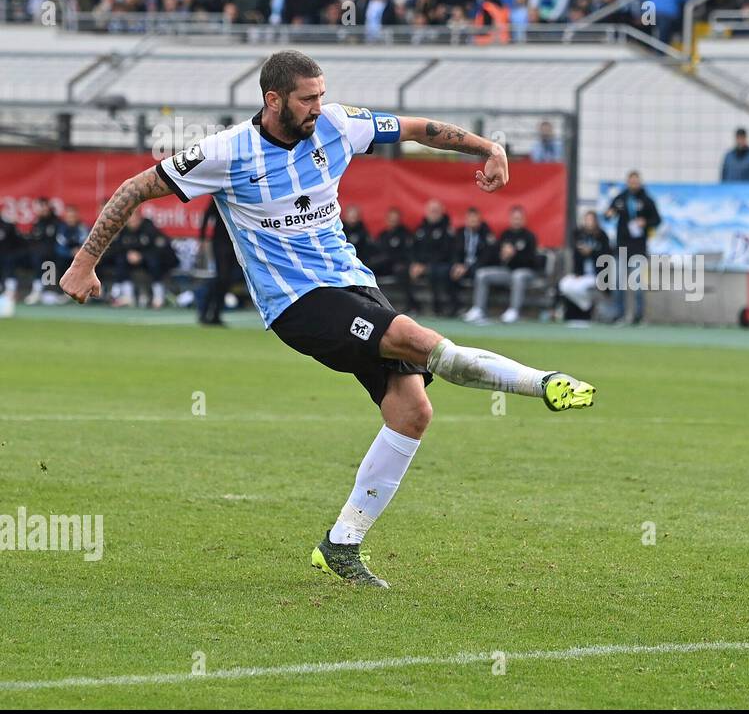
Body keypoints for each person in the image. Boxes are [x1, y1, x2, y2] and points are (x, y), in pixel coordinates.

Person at [58, 49, 594, 589]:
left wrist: (487, 146)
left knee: (412, 411)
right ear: (274, 100)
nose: (319, 106)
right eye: (307, 98)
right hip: (298, 302)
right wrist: (84, 263)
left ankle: (341, 545)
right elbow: (134, 189)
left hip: (352, 282)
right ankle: (541, 382)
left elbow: (416, 129)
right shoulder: (226, 152)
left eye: (320, 94)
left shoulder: (337, 124)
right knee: (414, 337)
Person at [465, 205, 540, 324]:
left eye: (519, 218)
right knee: (482, 274)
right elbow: (495, 256)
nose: (516, 221)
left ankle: (514, 310)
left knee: (518, 275)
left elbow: (532, 261)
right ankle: (479, 309)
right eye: (514, 218)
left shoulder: (529, 236)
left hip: (526, 272)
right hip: (507, 271)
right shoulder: (505, 234)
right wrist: (502, 256)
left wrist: (514, 254)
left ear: (523, 220)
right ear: (510, 219)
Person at [604, 171, 660, 324]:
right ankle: (619, 315)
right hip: (621, 246)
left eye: (636, 181)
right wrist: (608, 214)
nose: (633, 184)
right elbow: (608, 214)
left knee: (638, 284)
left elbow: (657, 220)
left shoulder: (647, 200)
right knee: (617, 283)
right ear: (627, 182)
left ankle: (638, 316)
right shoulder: (621, 198)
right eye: (631, 181)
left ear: (640, 182)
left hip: (638, 248)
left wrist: (645, 222)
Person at [558, 210, 612, 321]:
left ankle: (588, 309)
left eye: (591, 220)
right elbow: (575, 256)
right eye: (587, 220)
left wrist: (591, 252)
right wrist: (577, 272)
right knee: (564, 284)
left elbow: (606, 257)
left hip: (597, 275)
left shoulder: (602, 236)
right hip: (581, 274)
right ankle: (586, 305)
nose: (589, 223)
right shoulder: (578, 234)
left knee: (580, 288)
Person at [409, 200, 456, 316]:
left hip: (442, 263)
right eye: (431, 211)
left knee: (435, 271)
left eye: (436, 211)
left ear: (441, 212)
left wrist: (424, 265)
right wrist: (414, 263)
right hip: (421, 264)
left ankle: (439, 306)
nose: (433, 214)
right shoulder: (420, 229)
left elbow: (446, 252)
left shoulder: (447, 230)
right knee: (403, 270)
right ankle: (413, 306)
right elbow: (412, 249)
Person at [198, 197, 236, 326]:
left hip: (235, 243)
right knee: (221, 277)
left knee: (227, 280)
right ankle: (203, 311)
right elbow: (207, 215)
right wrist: (202, 238)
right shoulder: (219, 197)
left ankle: (216, 314)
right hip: (220, 242)